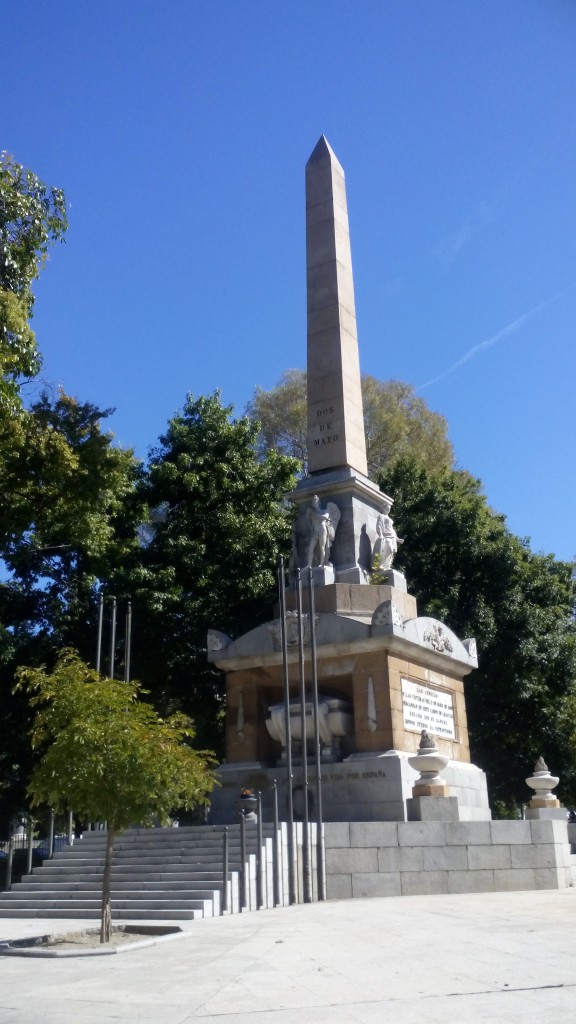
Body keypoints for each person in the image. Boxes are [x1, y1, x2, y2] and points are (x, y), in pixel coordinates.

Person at [306, 495, 340, 567]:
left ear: (318, 502)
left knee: (322, 547)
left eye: (315, 501)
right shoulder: (311, 512)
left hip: (322, 530)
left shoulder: (324, 511)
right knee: (310, 548)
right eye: (313, 502)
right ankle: (309, 565)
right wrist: (311, 528)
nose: (314, 503)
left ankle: (322, 563)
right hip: (315, 531)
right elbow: (309, 522)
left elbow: (326, 517)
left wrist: (318, 516)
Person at [374, 501, 404, 571]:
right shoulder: (381, 516)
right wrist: (380, 535)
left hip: (392, 536)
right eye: (387, 508)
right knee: (388, 549)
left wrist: (398, 539)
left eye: (389, 508)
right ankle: (381, 565)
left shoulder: (389, 519)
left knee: (391, 552)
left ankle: (387, 566)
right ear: (383, 508)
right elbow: (378, 526)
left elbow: (392, 530)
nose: (388, 509)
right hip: (386, 536)